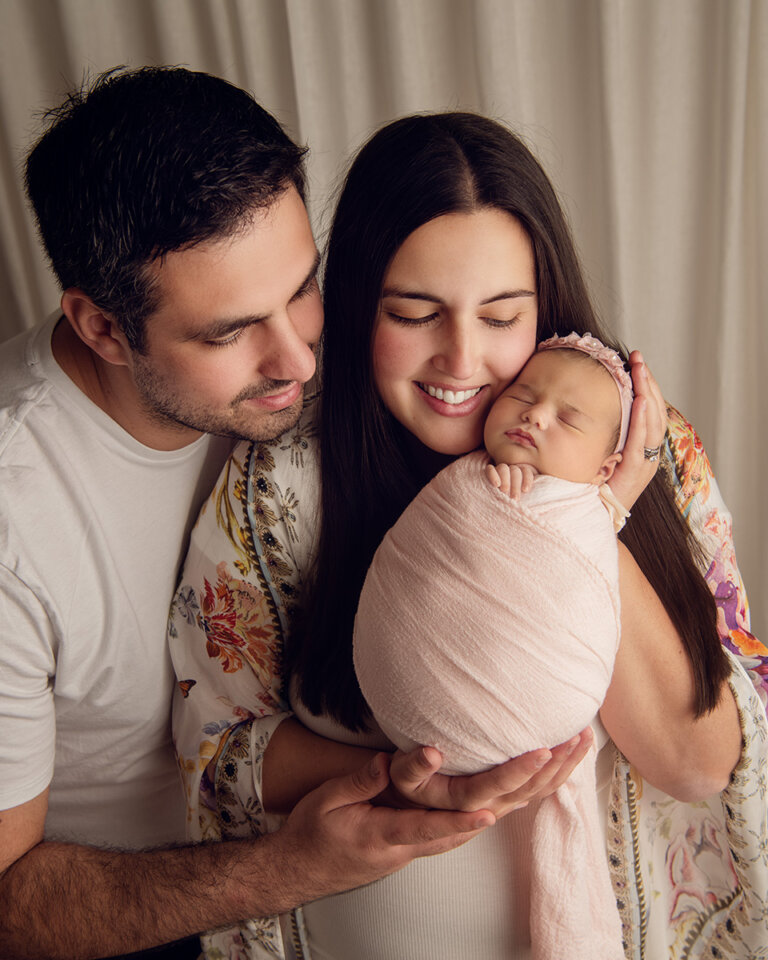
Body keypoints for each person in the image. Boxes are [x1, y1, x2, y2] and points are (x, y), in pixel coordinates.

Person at [170, 113, 767, 959]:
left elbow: (697, 764)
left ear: (546, 307)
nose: (462, 360)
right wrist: (407, 775)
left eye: (500, 316)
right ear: (354, 309)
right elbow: (217, 753)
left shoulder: (644, 452)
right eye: (415, 313)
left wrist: (597, 511)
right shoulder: (282, 484)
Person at [0, 70, 558, 960]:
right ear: (102, 327)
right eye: (230, 332)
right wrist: (286, 870)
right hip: (128, 909)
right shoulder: (17, 527)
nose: (299, 357)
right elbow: (8, 902)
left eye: (305, 288)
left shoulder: (338, 368)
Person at [353, 332, 731, 959]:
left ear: (610, 462)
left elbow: (705, 761)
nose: (533, 413)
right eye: (524, 395)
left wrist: (606, 508)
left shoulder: (624, 493)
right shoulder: (472, 481)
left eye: (568, 419)